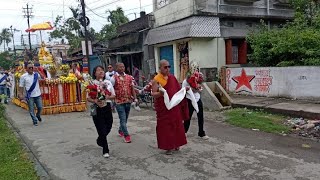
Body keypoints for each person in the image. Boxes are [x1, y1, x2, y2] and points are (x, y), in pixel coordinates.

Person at [151, 60, 189, 155]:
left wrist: (184, 90)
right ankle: (168, 146)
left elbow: (177, 90)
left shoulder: (172, 77)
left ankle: (177, 144)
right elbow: (153, 93)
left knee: (176, 125)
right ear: (160, 68)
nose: (168, 69)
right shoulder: (156, 79)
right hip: (163, 108)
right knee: (165, 127)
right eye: (165, 67)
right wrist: (161, 93)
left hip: (174, 107)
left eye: (169, 67)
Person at [87, 65, 115, 158]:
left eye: (102, 70)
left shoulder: (108, 83)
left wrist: (108, 97)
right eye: (98, 70)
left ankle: (100, 140)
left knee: (109, 124)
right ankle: (105, 149)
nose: (101, 72)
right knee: (101, 128)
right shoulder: (91, 83)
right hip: (96, 107)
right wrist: (95, 101)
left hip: (107, 106)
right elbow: (88, 98)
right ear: (94, 73)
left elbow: (113, 95)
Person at [110, 63, 138, 143]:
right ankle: (126, 135)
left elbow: (132, 88)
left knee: (125, 119)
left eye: (123, 66)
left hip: (128, 101)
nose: (122, 68)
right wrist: (112, 101)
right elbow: (110, 90)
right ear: (116, 68)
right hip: (118, 102)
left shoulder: (129, 77)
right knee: (122, 118)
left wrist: (135, 98)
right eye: (120, 67)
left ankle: (120, 130)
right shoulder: (113, 78)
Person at [182, 71, 209, 140]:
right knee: (188, 117)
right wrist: (194, 88)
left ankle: (201, 133)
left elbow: (199, 88)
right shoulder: (185, 82)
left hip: (197, 99)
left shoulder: (196, 79)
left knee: (200, 116)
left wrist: (199, 87)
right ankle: (184, 132)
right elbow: (183, 92)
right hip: (189, 100)